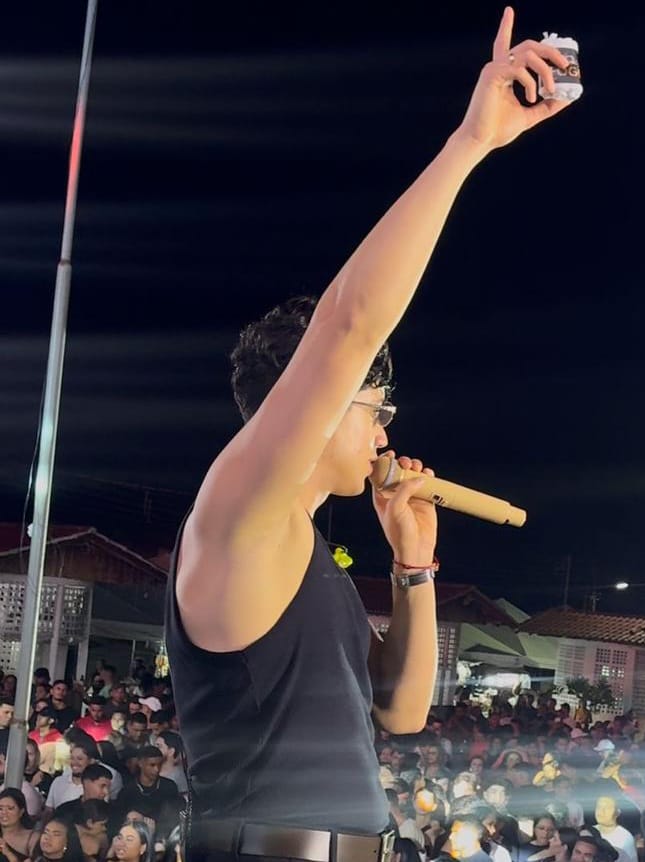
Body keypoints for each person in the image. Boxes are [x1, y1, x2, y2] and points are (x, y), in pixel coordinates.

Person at [164, 4, 574, 858]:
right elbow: (348, 325)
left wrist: (413, 566)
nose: (387, 435)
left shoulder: (309, 552)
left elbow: (403, 711)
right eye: (376, 409)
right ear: (316, 403)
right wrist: (471, 143)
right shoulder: (238, 515)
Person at [0, 788, 40, 862]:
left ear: (21, 811)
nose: (4, 813)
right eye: (0, 808)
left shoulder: (32, 838)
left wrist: (8, 853)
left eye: (10, 808)